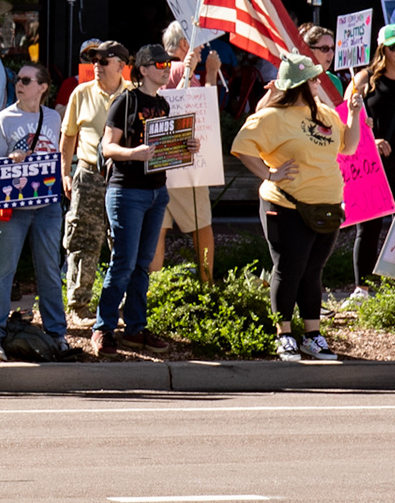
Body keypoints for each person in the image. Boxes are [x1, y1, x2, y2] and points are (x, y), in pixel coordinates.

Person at [233, 54, 360, 361]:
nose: (319, 82)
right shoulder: (272, 116)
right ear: (300, 85)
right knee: (289, 269)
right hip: (285, 204)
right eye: (314, 78)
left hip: (326, 206)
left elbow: (349, 147)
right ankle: (285, 335)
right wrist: (269, 174)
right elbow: (241, 146)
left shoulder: (325, 113)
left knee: (312, 271)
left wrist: (354, 115)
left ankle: (312, 336)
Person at [92, 43, 195, 355]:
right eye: (160, 65)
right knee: (123, 263)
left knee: (142, 264)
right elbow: (107, 147)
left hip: (156, 192)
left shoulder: (162, 104)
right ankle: (103, 328)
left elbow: (161, 149)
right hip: (127, 191)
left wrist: (184, 147)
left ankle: (135, 329)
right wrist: (133, 154)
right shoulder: (126, 101)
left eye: (168, 65)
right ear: (144, 70)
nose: (166, 70)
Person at [0, 61, 70, 362]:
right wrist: (10, 160)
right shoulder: (4, 119)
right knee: (2, 270)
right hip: (11, 207)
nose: (19, 83)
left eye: (26, 80)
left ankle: (56, 334)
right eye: (18, 79)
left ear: (42, 87)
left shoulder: (53, 117)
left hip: (46, 206)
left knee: (50, 270)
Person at [60, 39, 129, 320]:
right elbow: (68, 137)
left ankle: (122, 306)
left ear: (121, 65)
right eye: (94, 61)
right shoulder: (81, 93)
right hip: (88, 174)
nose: (96, 66)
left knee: (123, 241)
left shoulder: (133, 95)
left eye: (103, 61)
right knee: (82, 239)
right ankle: (79, 305)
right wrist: (65, 172)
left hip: (123, 177)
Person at [153, 21, 218, 285]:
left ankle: (152, 289)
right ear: (184, 44)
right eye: (198, 43)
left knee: (158, 228)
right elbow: (203, 110)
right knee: (201, 225)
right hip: (185, 159)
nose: (202, 49)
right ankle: (207, 285)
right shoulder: (181, 69)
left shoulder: (156, 70)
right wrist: (211, 74)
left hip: (159, 159)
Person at [350, 25, 395, 295]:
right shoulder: (364, 79)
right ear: (382, 50)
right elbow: (346, 120)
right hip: (373, 162)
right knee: (368, 228)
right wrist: (371, 140)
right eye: (394, 46)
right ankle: (362, 289)